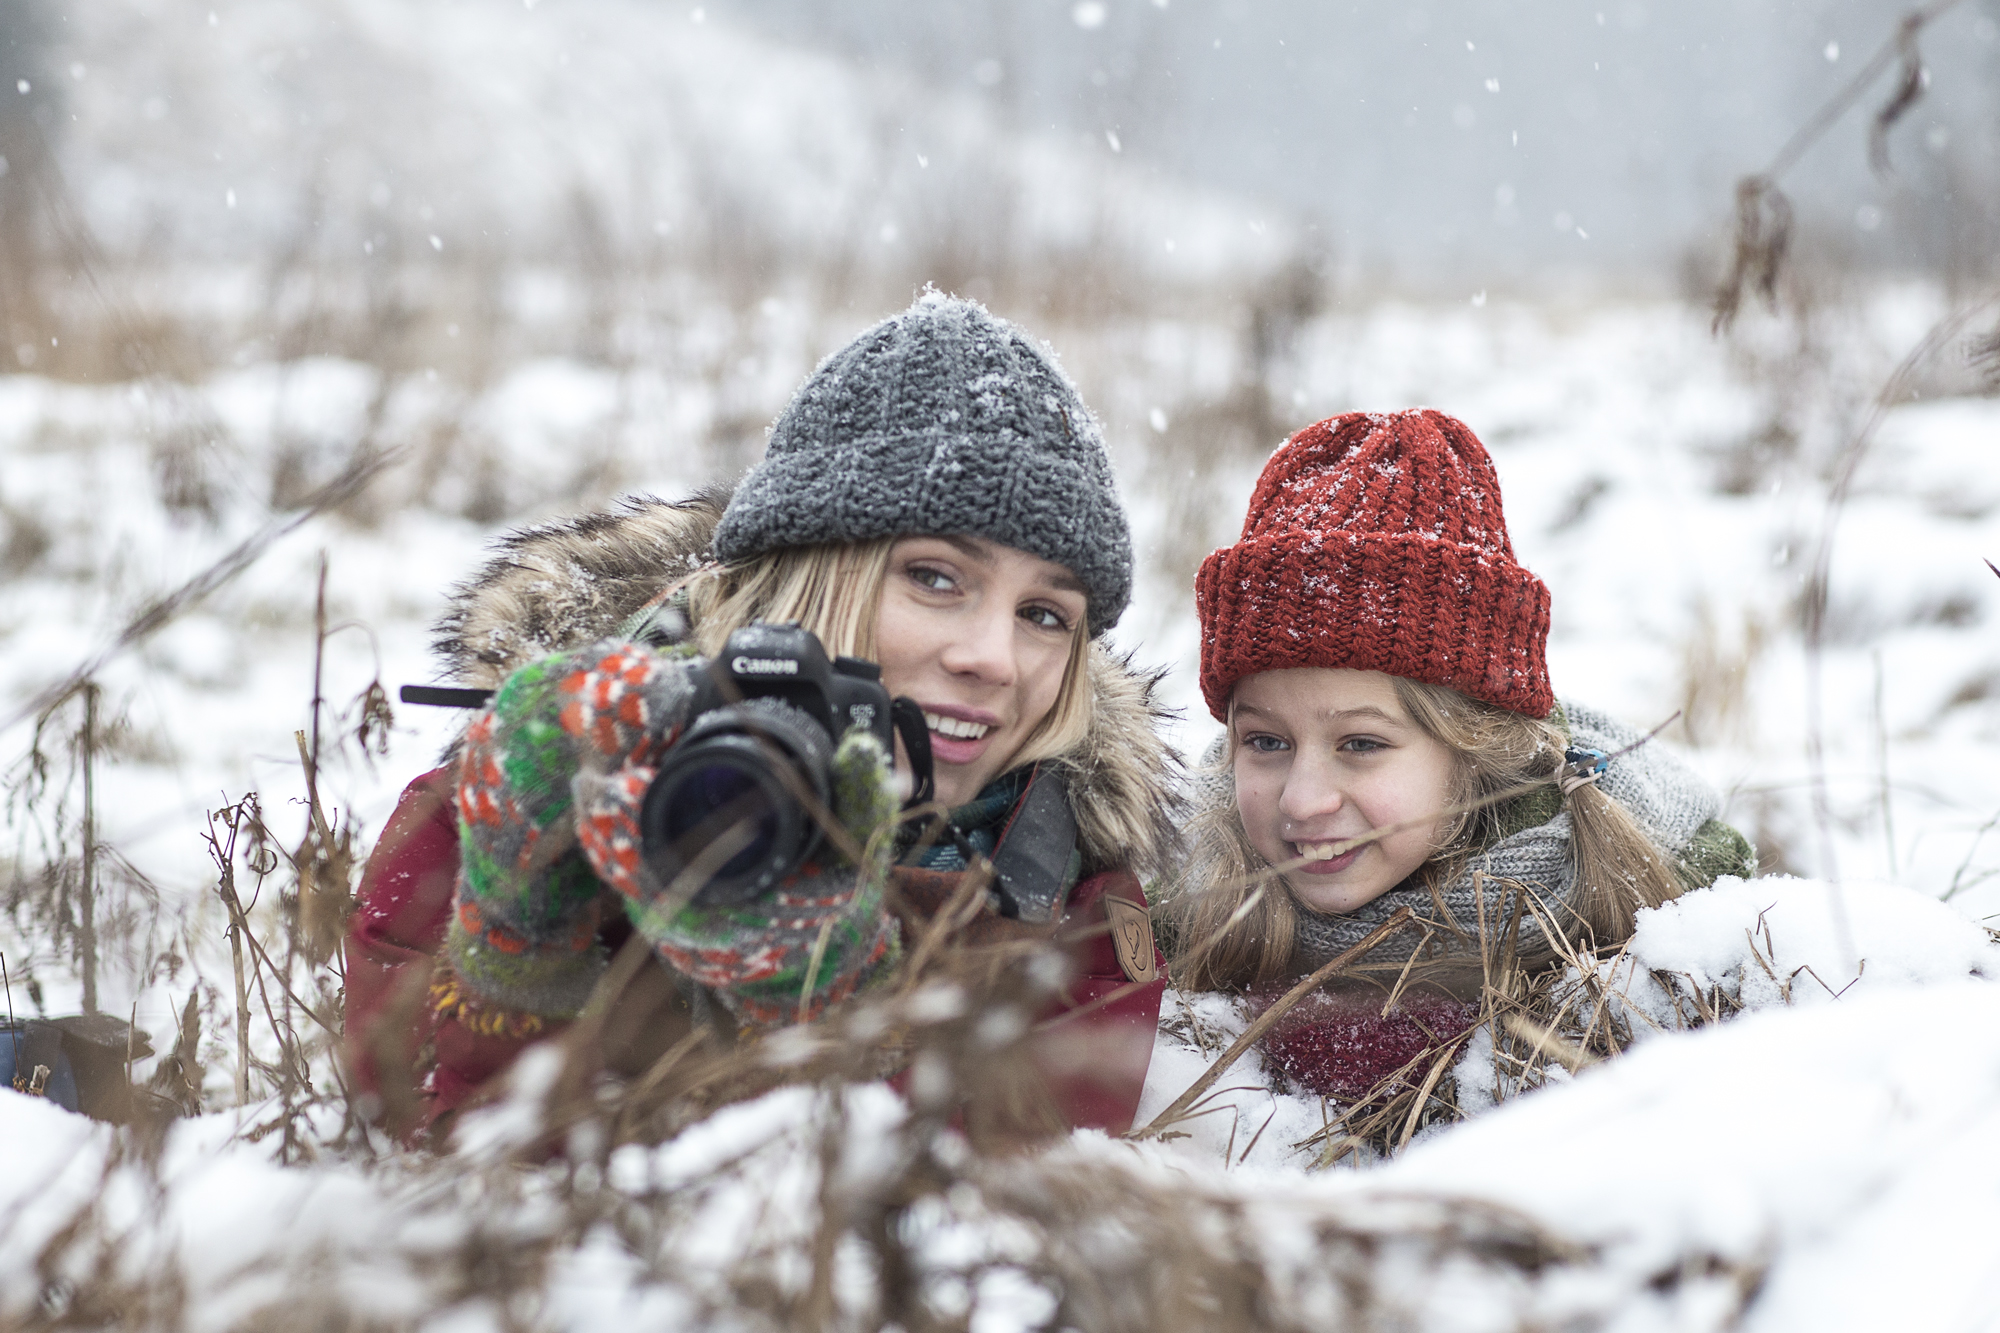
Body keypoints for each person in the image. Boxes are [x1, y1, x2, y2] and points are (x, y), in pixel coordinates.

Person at [344, 294, 1178, 1143]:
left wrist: (825, 1004)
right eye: (936, 578)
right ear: (808, 576)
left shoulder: (1072, 896)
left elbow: (995, 1219)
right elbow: (423, 1166)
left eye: (1045, 615)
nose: (995, 658)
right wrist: (521, 940)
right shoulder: (520, 790)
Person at [1156, 408, 1755, 1104]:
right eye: (1266, 742)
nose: (1301, 799)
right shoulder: (1178, 895)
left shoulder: (1659, 906)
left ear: (1475, 747)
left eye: (1360, 744)